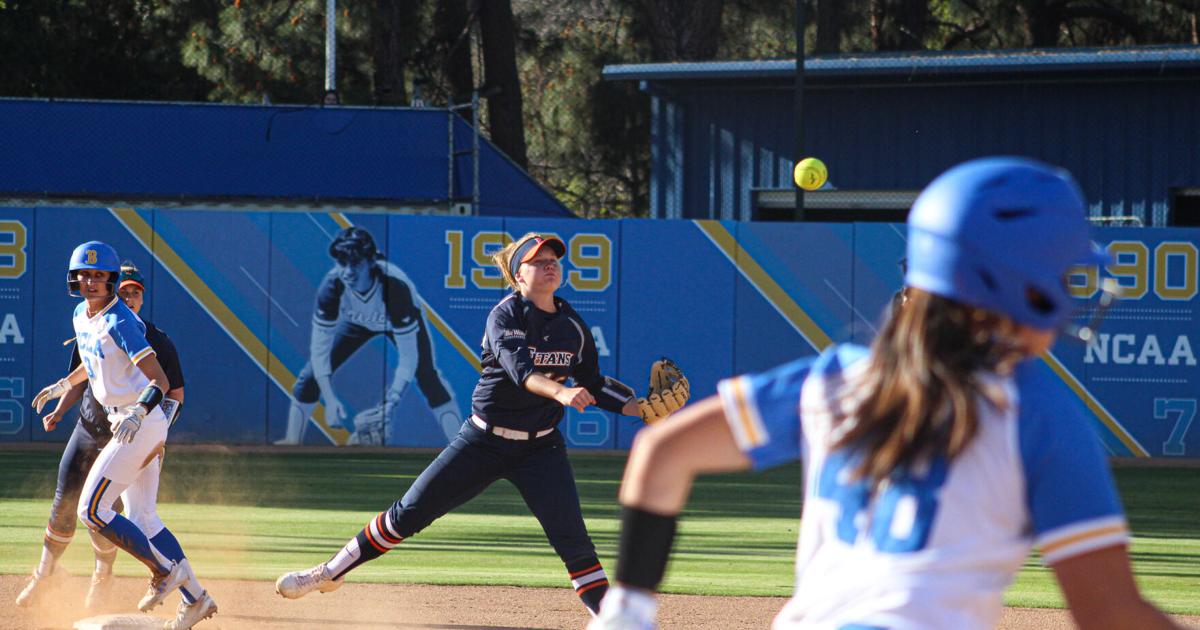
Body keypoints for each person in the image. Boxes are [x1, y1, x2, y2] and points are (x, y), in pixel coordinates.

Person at [589, 158, 1182, 630]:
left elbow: (660, 452)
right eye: (1062, 272)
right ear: (1012, 282)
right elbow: (1108, 612)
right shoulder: (1032, 408)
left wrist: (628, 610)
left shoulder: (835, 380)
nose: (1071, 289)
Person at [276, 233, 642, 617]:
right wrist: (562, 393)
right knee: (409, 513)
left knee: (574, 541)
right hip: (483, 440)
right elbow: (522, 372)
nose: (550, 264)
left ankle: (613, 623)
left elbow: (595, 384)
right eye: (538, 260)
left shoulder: (573, 326)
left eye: (554, 259)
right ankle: (328, 572)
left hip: (540, 448)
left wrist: (642, 409)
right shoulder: (505, 315)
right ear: (518, 275)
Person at [30, 244, 217, 630]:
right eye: (85, 274)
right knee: (145, 518)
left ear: (112, 280)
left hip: (139, 420)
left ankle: (166, 571)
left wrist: (139, 412)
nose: (92, 281)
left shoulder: (121, 321)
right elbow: (92, 360)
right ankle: (196, 598)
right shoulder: (82, 313)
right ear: (74, 278)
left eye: (100, 276)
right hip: (130, 420)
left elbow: (160, 382)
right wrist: (65, 383)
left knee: (92, 510)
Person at [277, 226, 464, 445]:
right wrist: (329, 399)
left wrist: (391, 401)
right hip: (355, 323)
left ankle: (460, 444)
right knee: (309, 378)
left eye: (355, 263)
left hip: (395, 322)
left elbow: (408, 357)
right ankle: (292, 442)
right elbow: (319, 352)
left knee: (428, 378)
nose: (347, 271)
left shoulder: (395, 287)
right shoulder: (332, 286)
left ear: (371, 262)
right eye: (342, 263)